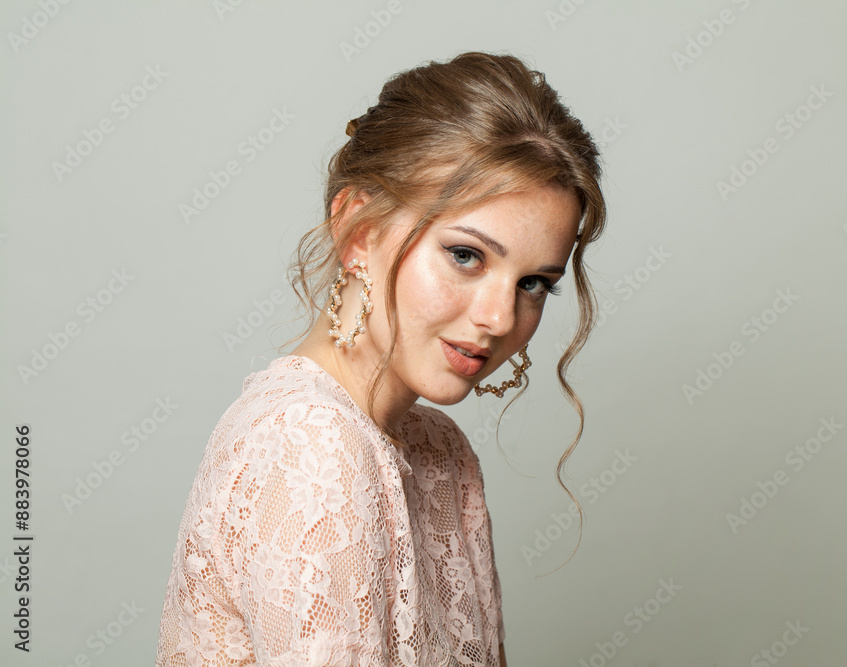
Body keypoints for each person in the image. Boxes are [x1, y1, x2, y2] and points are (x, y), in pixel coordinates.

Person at [156, 50, 607, 666]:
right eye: (466, 256)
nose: (501, 319)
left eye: (534, 283)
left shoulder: (442, 452)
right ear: (358, 229)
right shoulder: (310, 443)